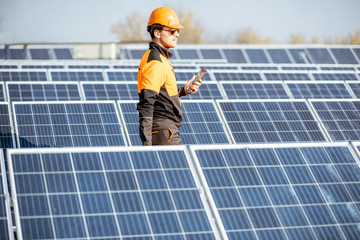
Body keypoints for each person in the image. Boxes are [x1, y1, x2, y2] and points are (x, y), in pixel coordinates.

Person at [137, 7, 202, 146]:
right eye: (172, 31)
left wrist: (183, 91)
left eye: (178, 31)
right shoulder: (155, 62)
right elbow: (146, 103)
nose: (177, 35)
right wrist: (147, 144)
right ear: (157, 33)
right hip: (163, 131)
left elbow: (161, 95)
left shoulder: (160, 59)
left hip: (166, 130)